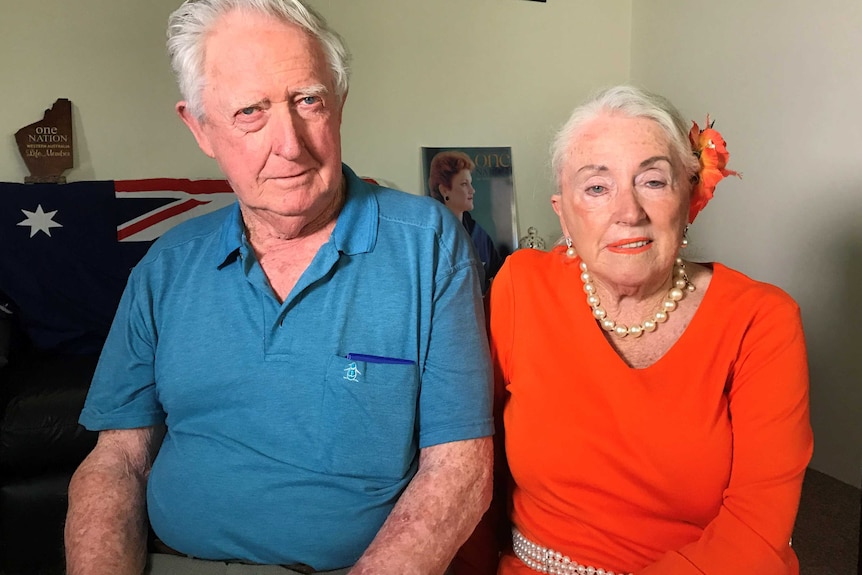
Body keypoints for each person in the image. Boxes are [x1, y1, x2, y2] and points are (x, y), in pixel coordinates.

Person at [64, 1, 493, 574]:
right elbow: (117, 459)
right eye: (249, 111)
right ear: (200, 127)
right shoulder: (166, 265)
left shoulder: (429, 245)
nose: (289, 144)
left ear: (339, 104)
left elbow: (460, 467)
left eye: (307, 100)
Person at [460, 85, 813, 574]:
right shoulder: (522, 285)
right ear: (563, 213)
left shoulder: (761, 320)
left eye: (652, 181)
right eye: (597, 188)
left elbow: (757, 530)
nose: (629, 213)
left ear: (689, 197)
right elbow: (472, 460)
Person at [428, 151, 504, 293]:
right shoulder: (429, 237)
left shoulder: (479, 235)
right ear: (445, 190)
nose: (472, 190)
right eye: (464, 184)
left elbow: (497, 275)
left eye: (471, 183)